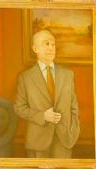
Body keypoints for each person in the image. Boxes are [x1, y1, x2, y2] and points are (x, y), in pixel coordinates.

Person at [13, 29, 80, 159]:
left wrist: (73, 132)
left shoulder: (67, 74)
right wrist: (42, 116)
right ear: (35, 48)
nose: (51, 48)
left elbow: (74, 108)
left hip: (64, 141)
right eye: (46, 44)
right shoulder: (25, 77)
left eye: (53, 44)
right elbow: (19, 108)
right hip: (37, 142)